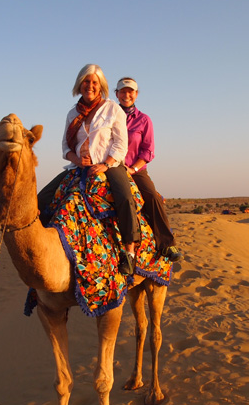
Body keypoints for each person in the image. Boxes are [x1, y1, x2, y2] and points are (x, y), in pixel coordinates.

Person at [38, 64, 140, 274]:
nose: (90, 86)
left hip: (108, 164)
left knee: (125, 198)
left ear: (101, 86)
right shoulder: (72, 113)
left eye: (94, 82)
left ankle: (129, 253)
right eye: (86, 81)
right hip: (78, 166)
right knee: (42, 198)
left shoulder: (113, 109)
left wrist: (106, 164)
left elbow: (121, 144)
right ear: (79, 84)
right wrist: (76, 159)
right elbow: (65, 147)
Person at [115, 77, 182, 262]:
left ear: (136, 94)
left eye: (130, 91)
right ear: (116, 94)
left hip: (135, 169)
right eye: (122, 91)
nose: (126, 95)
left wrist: (133, 169)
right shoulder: (109, 117)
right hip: (111, 167)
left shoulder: (144, 120)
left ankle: (166, 244)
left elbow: (148, 151)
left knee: (152, 197)